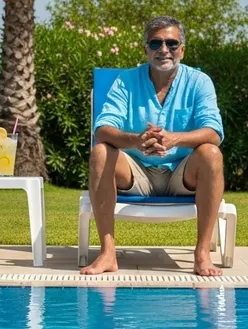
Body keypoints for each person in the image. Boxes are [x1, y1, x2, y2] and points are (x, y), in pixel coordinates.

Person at [81, 16, 225, 277]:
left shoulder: (199, 82)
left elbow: (214, 132)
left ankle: (202, 254)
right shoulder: (125, 81)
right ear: (145, 48)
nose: (164, 50)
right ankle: (108, 253)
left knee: (211, 154)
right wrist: (136, 140)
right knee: (100, 152)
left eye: (171, 43)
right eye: (156, 43)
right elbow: (102, 129)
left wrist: (174, 139)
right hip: (136, 171)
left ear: (182, 49)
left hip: (183, 173)